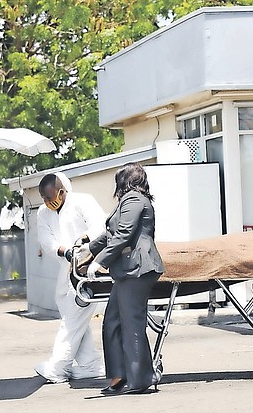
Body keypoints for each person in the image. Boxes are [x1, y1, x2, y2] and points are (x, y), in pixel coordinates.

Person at [83, 162, 165, 395]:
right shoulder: (134, 200)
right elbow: (111, 234)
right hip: (130, 270)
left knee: (131, 325)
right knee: (113, 321)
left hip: (137, 268)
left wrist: (99, 261)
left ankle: (139, 380)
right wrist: (88, 249)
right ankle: (119, 375)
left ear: (125, 181)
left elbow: (124, 234)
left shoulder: (133, 199)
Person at [35, 172, 107, 383]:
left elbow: (99, 227)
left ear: (62, 191)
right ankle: (90, 365)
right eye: (45, 199)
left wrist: (85, 241)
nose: (49, 202)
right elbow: (45, 239)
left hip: (87, 271)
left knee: (73, 319)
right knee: (74, 319)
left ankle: (58, 367)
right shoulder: (43, 213)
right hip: (65, 271)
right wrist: (64, 250)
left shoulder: (83, 201)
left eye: (51, 197)